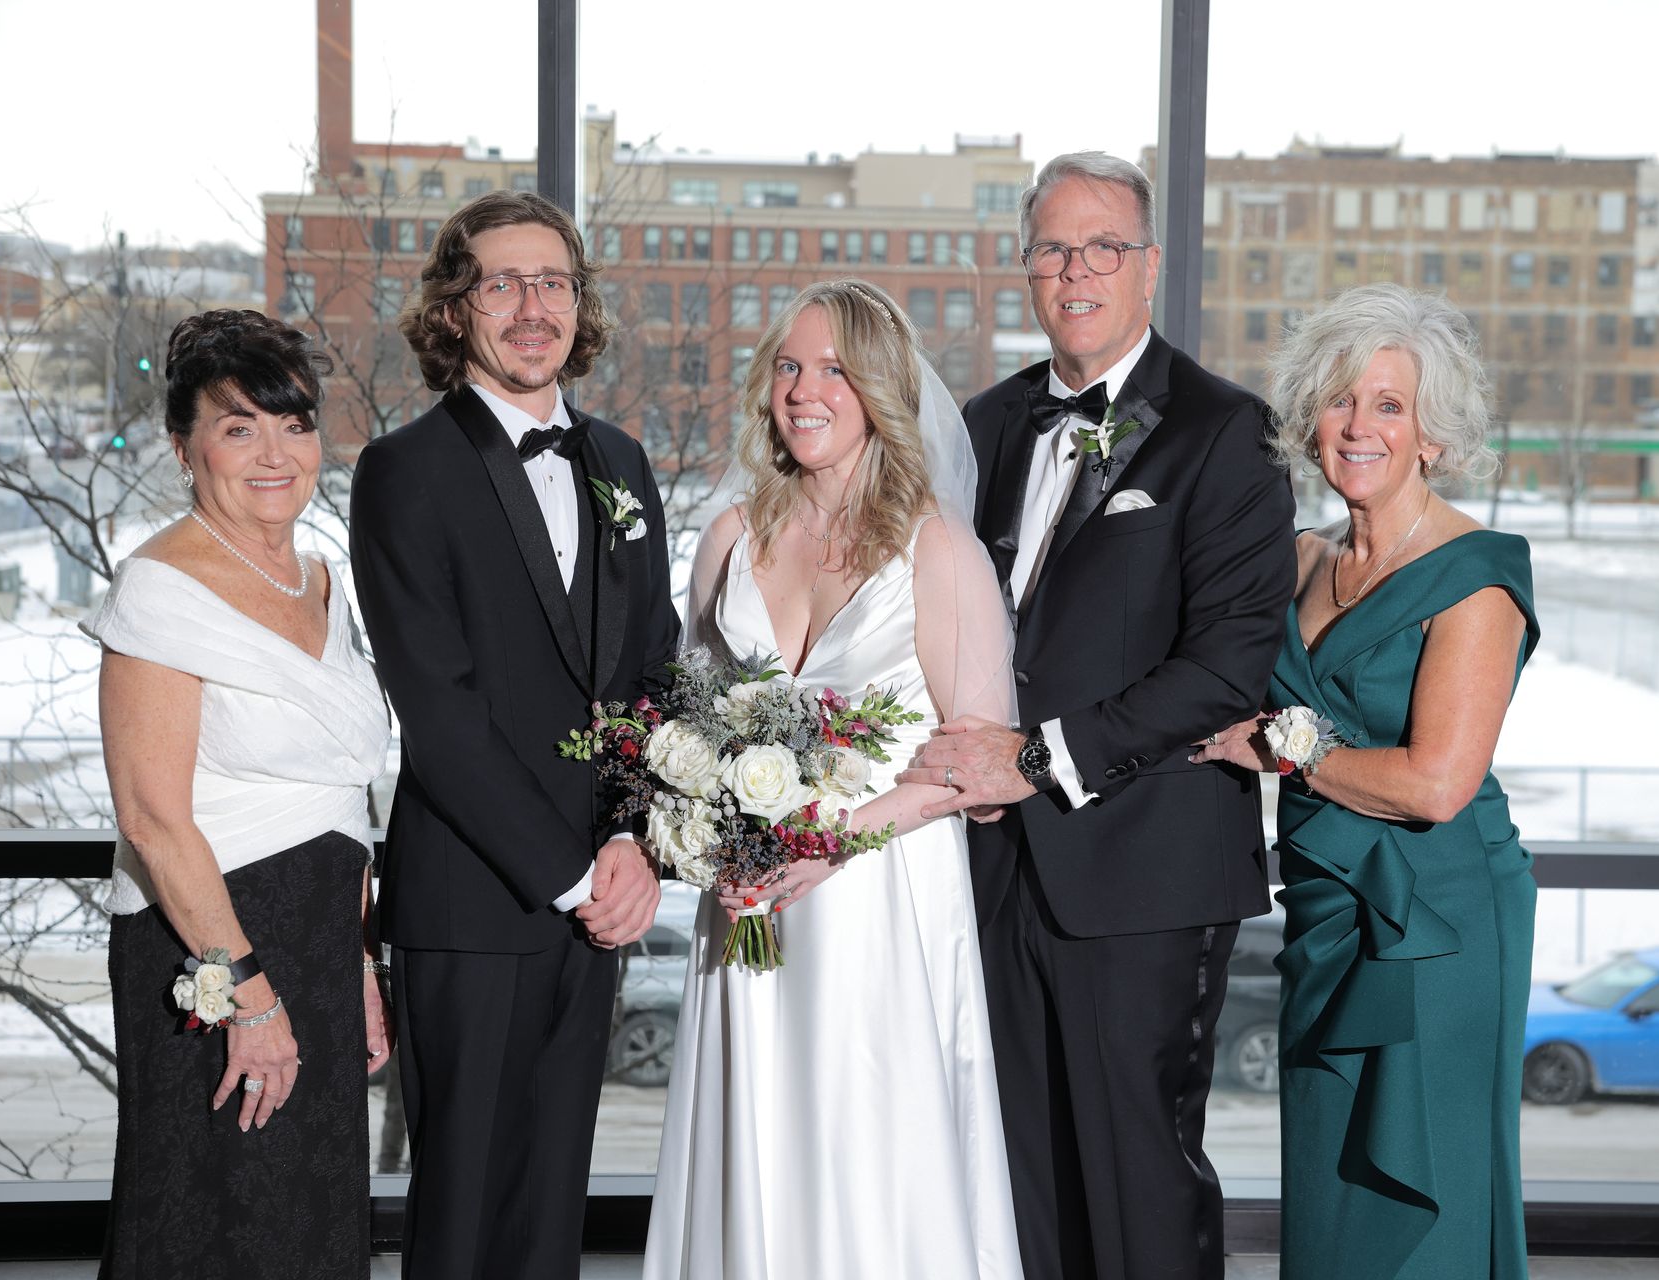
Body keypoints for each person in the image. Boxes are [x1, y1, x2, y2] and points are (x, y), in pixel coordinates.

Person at [898, 152, 1296, 1280]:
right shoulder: (983, 424)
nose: (1076, 270)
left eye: (1103, 246)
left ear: (1150, 266)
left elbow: (1226, 664)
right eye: (1054, 249)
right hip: (990, 862)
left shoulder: (1227, 433)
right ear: (1028, 267)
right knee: (1012, 1166)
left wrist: (1037, 757)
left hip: (1144, 871)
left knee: (1136, 1174)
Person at [644, 279, 1025, 1279]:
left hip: (878, 899)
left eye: (834, 370)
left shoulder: (938, 550)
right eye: (788, 366)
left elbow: (978, 765)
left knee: (870, 1151)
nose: (805, 390)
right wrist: (709, 822)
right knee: (753, 1144)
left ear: (881, 390)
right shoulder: (729, 537)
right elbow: (694, 721)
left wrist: (829, 843)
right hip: (752, 895)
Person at [348, 189, 680, 1280]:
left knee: (549, 1211)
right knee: (462, 1213)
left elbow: (653, 676)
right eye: (502, 282)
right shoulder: (402, 470)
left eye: (555, 282)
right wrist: (578, 875)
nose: (532, 306)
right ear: (457, 309)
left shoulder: (624, 463)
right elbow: (437, 715)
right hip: (474, 902)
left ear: (581, 307)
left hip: (602, 900)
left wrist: (633, 840)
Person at [1192, 282, 1538, 1278]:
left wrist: (1287, 751)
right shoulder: (1301, 558)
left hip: (1438, 921)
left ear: (1433, 435)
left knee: (1426, 1198)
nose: (1359, 424)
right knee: (1333, 1186)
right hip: (1327, 912)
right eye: (1342, 399)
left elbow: (1437, 783)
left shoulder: (1475, 577)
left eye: (1389, 403)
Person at [85, 309, 392, 1279]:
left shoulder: (320, 576)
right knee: (213, 1215)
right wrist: (250, 998)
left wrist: (357, 962)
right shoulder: (159, 589)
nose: (275, 453)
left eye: (294, 423)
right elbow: (152, 818)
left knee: (310, 1213)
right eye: (238, 426)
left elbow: (343, 798)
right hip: (210, 949)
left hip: (317, 942)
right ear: (184, 446)